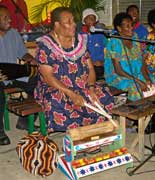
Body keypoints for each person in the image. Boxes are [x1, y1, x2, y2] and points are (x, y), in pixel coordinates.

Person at [34, 7, 114, 133]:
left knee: (103, 95)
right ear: (57, 25)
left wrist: (91, 88)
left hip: (82, 85)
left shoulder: (80, 42)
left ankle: (93, 132)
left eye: (73, 21)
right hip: (57, 88)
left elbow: (90, 68)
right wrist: (71, 94)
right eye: (68, 22)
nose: (74, 24)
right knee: (56, 101)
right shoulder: (46, 46)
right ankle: (78, 135)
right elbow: (48, 78)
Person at [0, 5, 37, 145]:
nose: (9, 20)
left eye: (9, 16)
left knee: (39, 81)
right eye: (5, 17)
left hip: (14, 73)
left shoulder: (14, 33)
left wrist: (32, 60)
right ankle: (0, 132)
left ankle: (26, 121)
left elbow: (23, 53)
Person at [104, 12, 151, 102]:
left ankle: (152, 114)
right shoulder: (115, 41)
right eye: (127, 26)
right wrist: (138, 81)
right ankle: (132, 114)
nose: (131, 28)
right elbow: (118, 70)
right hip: (118, 76)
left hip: (136, 73)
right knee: (135, 88)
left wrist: (147, 78)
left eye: (131, 25)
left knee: (154, 83)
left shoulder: (135, 37)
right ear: (119, 28)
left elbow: (141, 61)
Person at [80, 8, 106, 81]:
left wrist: (103, 62)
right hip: (85, 66)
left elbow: (109, 50)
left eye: (93, 18)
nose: (91, 20)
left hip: (99, 66)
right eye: (88, 18)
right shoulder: (80, 36)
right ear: (84, 21)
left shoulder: (101, 34)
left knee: (98, 72)